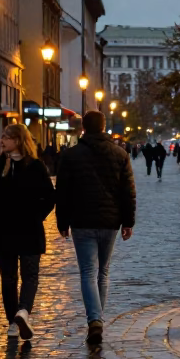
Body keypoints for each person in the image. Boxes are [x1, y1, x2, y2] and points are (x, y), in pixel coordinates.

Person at [55, 110, 136, 345]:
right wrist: (128, 222)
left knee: (88, 272)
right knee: (103, 271)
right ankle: (97, 318)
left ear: (83, 128)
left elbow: (62, 192)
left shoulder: (71, 156)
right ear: (103, 127)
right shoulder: (120, 154)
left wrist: (62, 221)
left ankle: (95, 320)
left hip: (82, 221)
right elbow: (128, 192)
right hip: (110, 222)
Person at [0, 123, 55, 341]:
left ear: (18, 140)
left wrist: (36, 215)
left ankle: (22, 313)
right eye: (2, 136)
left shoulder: (35, 166)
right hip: (5, 231)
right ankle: (14, 318)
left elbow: (50, 197)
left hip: (30, 230)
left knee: (29, 275)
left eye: (7, 137)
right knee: (9, 278)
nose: (2, 140)